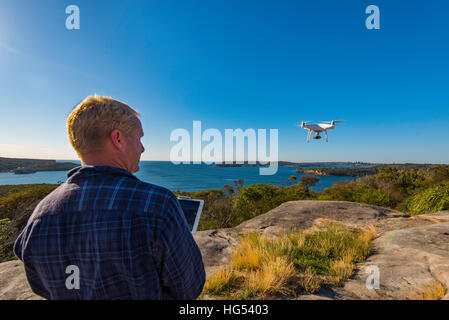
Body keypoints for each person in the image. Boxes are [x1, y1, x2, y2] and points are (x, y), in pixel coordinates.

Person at [13, 96, 205, 299]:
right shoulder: (157, 205)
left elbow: (39, 284)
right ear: (118, 139)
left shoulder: (41, 214)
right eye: (139, 138)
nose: (142, 148)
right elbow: (189, 288)